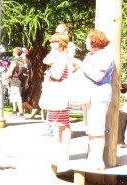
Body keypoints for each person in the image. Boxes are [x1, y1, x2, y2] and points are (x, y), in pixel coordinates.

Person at [77, 29, 114, 168]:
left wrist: (81, 65)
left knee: (97, 128)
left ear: (94, 41)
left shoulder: (104, 55)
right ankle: (92, 157)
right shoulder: (90, 55)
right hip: (88, 96)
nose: (85, 42)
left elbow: (98, 76)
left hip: (99, 95)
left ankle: (98, 160)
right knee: (90, 128)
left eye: (87, 39)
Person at [42, 34, 73, 163]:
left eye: (53, 42)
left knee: (63, 123)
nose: (50, 44)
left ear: (58, 43)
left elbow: (57, 75)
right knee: (60, 123)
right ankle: (62, 151)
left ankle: (64, 151)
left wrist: (49, 74)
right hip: (58, 92)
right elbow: (46, 60)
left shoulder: (62, 57)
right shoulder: (59, 55)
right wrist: (53, 50)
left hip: (59, 92)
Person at [4, 47, 27, 117]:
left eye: (13, 52)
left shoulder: (14, 62)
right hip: (21, 80)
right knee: (14, 96)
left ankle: (21, 113)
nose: (12, 53)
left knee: (17, 97)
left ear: (15, 53)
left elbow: (9, 72)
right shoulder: (23, 61)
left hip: (15, 80)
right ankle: (14, 112)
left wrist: (3, 79)